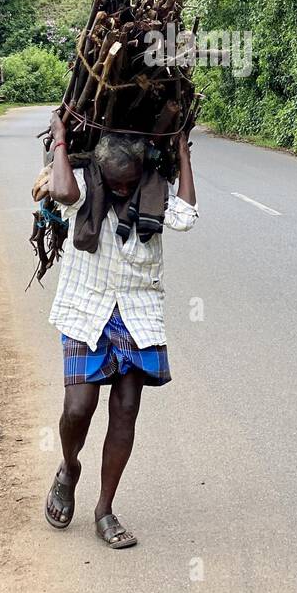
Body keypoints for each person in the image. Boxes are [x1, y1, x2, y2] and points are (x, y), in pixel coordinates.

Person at [43, 113, 198, 549]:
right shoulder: (83, 183)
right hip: (85, 307)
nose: (124, 190)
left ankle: (104, 509)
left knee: (126, 408)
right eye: (117, 183)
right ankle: (69, 467)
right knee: (78, 407)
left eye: (131, 182)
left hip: (137, 311)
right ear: (100, 173)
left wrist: (182, 153)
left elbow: (185, 218)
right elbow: (60, 191)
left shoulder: (153, 189)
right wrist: (59, 139)